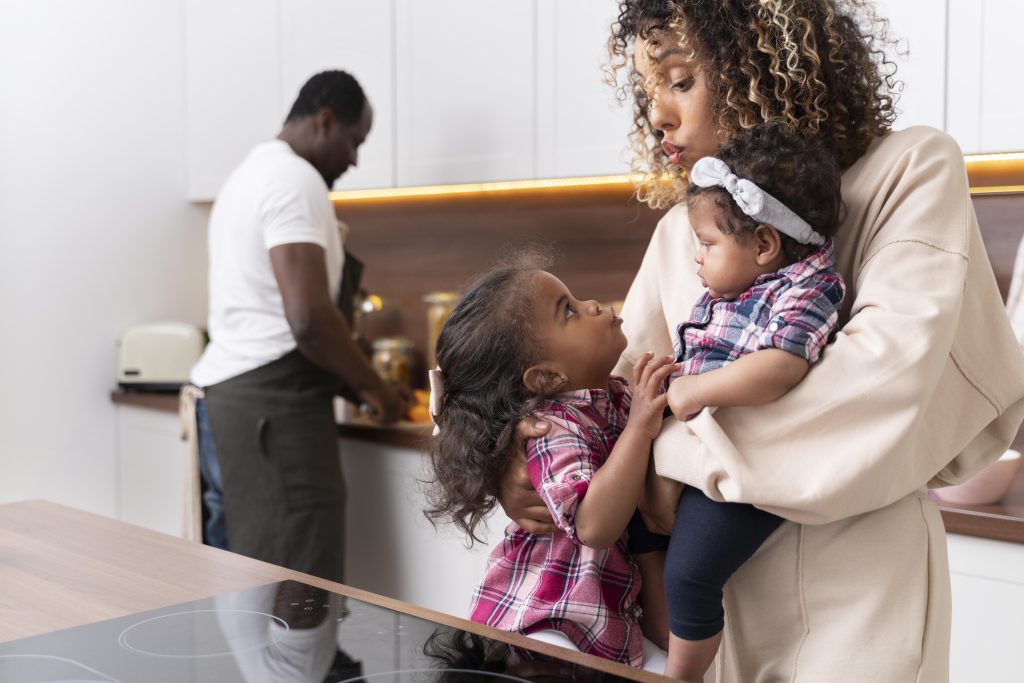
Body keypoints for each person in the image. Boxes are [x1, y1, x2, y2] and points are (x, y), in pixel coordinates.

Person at [499, 1, 1024, 680]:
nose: (657, 114)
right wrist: (516, 455)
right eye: (649, 90)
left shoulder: (908, 171)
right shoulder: (681, 233)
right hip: (712, 621)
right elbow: (616, 401)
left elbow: (877, 393)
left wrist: (657, 462)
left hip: (856, 602)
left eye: (680, 80)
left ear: (762, 63)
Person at [627, 123, 846, 681]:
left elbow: (780, 366)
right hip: (690, 453)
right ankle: (652, 649)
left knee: (692, 574)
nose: (696, 260)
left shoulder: (807, 287)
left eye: (706, 245)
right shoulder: (738, 285)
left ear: (764, 245)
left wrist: (694, 391)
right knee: (636, 532)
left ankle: (682, 676)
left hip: (743, 466)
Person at [189, 70, 403, 582]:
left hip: (229, 405)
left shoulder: (245, 177)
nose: (354, 159)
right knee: (296, 595)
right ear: (325, 121)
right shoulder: (294, 179)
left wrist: (354, 385)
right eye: (354, 141)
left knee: (241, 593)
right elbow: (308, 321)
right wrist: (377, 389)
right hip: (273, 413)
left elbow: (276, 319)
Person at [423, 252, 678, 666]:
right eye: (570, 311)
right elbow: (595, 526)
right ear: (546, 377)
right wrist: (640, 427)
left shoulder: (614, 399)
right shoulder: (551, 428)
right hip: (546, 623)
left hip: (597, 626)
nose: (592, 304)